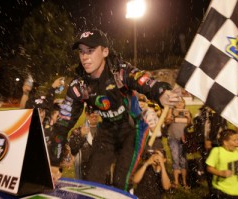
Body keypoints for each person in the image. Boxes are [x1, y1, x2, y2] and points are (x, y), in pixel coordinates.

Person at [48, 28, 182, 190]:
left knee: (121, 181)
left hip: (133, 129)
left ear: (105, 51)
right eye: (81, 52)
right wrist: (55, 164)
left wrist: (162, 93)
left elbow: (143, 81)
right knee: (93, 180)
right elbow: (61, 127)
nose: (84, 57)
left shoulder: (120, 71)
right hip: (107, 131)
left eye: (90, 51)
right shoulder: (79, 86)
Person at [205, 129, 238, 198]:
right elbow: (209, 168)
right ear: (225, 142)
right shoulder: (217, 151)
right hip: (220, 189)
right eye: (234, 140)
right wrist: (220, 173)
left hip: (237, 191)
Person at [165, 98, 191, 189]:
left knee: (183, 160)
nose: (179, 103)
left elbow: (189, 124)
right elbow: (167, 121)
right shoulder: (171, 111)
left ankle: (184, 182)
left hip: (183, 139)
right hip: (173, 137)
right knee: (175, 158)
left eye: (181, 102)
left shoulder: (187, 112)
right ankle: (176, 181)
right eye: (177, 102)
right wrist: (172, 114)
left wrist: (188, 116)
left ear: (184, 104)